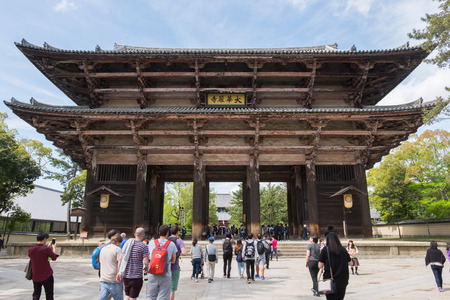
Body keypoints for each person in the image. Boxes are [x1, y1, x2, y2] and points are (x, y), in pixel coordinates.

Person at [146, 225, 177, 300]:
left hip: (152, 272)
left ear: (159, 233)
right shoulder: (172, 244)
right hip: (165, 273)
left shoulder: (152, 243)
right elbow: (173, 260)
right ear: (167, 233)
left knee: (150, 296)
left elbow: (149, 257)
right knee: (163, 297)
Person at [117, 227, 149, 300]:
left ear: (134, 234)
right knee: (133, 297)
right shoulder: (144, 246)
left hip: (126, 275)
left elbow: (121, 258)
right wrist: (146, 268)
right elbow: (146, 262)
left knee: (127, 295)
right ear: (143, 235)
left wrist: (119, 272)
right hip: (136, 276)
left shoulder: (127, 244)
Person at [318, 231, 352, 300]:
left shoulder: (325, 250)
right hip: (342, 279)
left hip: (329, 279)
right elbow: (351, 263)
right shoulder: (343, 250)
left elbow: (320, 266)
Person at [28, 231, 59, 300]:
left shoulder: (30, 250)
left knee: (36, 294)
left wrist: (47, 248)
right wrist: (53, 248)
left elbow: (39, 256)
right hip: (47, 275)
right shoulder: (46, 249)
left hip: (35, 276)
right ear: (45, 238)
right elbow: (54, 258)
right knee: (49, 295)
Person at [99, 234, 124, 300]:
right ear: (118, 242)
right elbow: (120, 263)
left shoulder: (103, 249)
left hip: (103, 278)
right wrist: (119, 274)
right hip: (114, 279)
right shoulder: (117, 249)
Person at [168, 226, 187, 300]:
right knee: (172, 289)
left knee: (164, 288)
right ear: (178, 232)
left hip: (165, 266)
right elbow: (184, 253)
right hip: (174, 266)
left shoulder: (166, 240)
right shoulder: (179, 241)